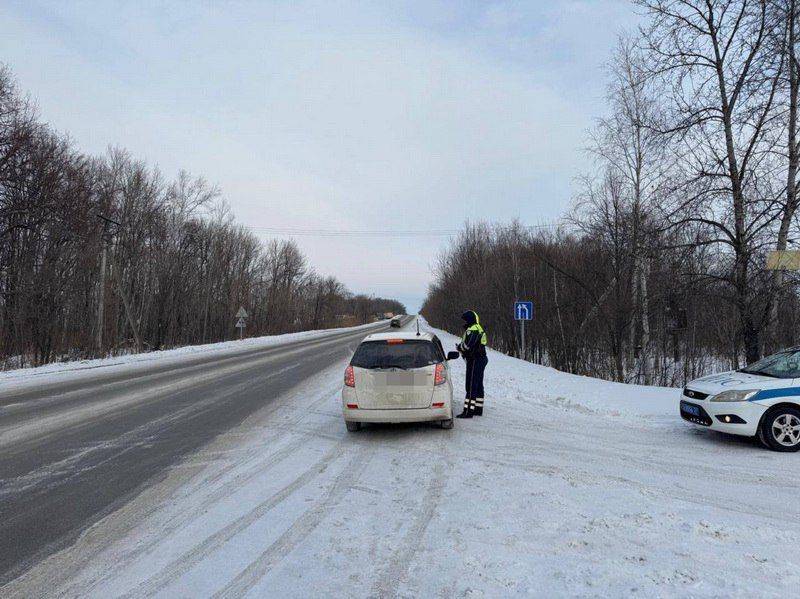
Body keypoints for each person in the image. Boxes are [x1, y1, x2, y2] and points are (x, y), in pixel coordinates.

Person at [455, 310, 488, 418]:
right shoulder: (478, 328)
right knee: (478, 385)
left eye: (465, 320)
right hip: (480, 359)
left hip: (475, 360)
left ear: (470, 320)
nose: (464, 322)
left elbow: (468, 345)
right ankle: (478, 409)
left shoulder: (472, 330)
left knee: (470, 385)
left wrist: (460, 347)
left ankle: (468, 411)